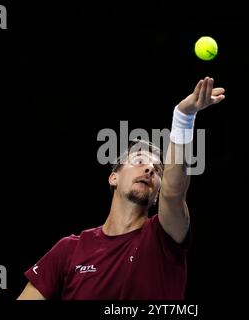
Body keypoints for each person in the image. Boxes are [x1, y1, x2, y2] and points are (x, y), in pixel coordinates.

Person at [17, 77, 225, 300]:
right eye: (139, 162)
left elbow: (174, 193)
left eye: (157, 170)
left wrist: (183, 117)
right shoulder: (68, 250)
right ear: (113, 178)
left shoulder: (164, 237)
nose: (149, 170)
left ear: (157, 195)